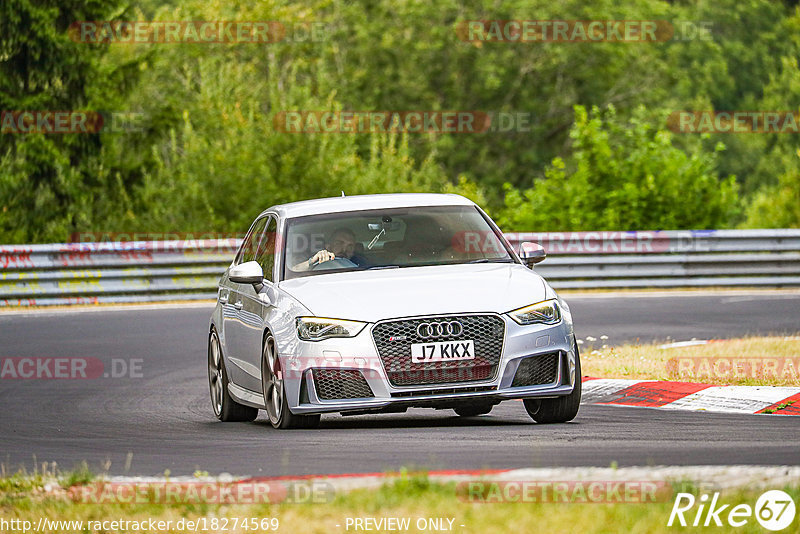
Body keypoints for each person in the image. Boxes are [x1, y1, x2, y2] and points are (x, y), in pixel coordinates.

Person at [292, 228, 367, 271]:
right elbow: (293, 271)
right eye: (339, 243)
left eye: (350, 245)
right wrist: (312, 261)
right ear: (328, 247)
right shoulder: (319, 261)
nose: (344, 249)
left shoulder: (361, 262)